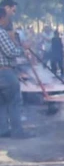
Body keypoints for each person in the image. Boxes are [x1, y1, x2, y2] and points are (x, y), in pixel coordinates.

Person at [0, 7, 33, 138]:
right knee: (14, 102)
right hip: (5, 73)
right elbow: (10, 52)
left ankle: (2, 130)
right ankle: (17, 132)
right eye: (7, 18)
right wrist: (23, 50)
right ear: (2, 18)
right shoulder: (1, 32)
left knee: (1, 103)